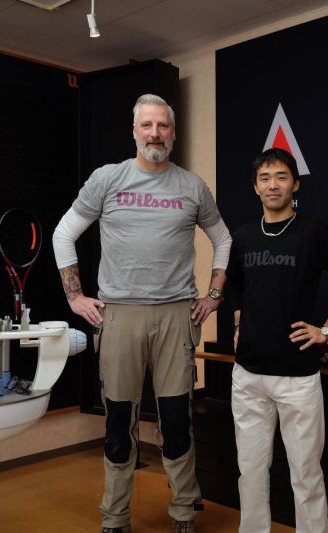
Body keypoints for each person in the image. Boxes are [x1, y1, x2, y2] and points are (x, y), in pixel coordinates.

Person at [52, 94, 232, 533]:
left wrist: (213, 294)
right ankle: (115, 516)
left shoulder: (192, 186)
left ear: (174, 133)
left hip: (176, 317)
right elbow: (64, 233)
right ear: (134, 131)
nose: (155, 133)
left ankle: (184, 510)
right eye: (147, 125)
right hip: (120, 316)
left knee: (176, 420)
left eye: (163, 126)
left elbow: (223, 239)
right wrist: (75, 297)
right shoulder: (108, 179)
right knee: (118, 422)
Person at [225, 148, 328, 532]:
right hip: (248, 377)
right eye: (265, 178)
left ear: (295, 184)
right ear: (255, 187)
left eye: (281, 177)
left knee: (306, 473)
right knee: (250, 472)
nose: (273, 185)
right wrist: (239, 322)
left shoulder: (314, 232)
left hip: (298, 378)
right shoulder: (244, 236)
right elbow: (235, 284)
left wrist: (326, 330)